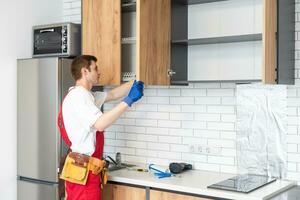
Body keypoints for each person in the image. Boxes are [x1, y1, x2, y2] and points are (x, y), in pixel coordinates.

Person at [58, 55, 144, 200]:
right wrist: (128, 101)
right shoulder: (79, 96)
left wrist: (135, 81)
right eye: (95, 68)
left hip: (85, 169)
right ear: (85, 72)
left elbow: (113, 94)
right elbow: (100, 124)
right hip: (84, 171)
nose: (99, 72)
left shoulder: (87, 95)